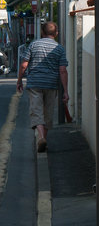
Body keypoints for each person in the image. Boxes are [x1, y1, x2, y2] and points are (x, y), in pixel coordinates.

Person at [16, 22, 68, 152]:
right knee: (48, 113)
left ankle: (41, 138)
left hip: (35, 84)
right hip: (51, 84)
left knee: (36, 111)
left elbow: (24, 65)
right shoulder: (59, 49)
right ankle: (43, 139)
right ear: (56, 34)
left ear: (42, 33)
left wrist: (19, 81)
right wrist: (65, 91)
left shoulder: (34, 44)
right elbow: (62, 70)